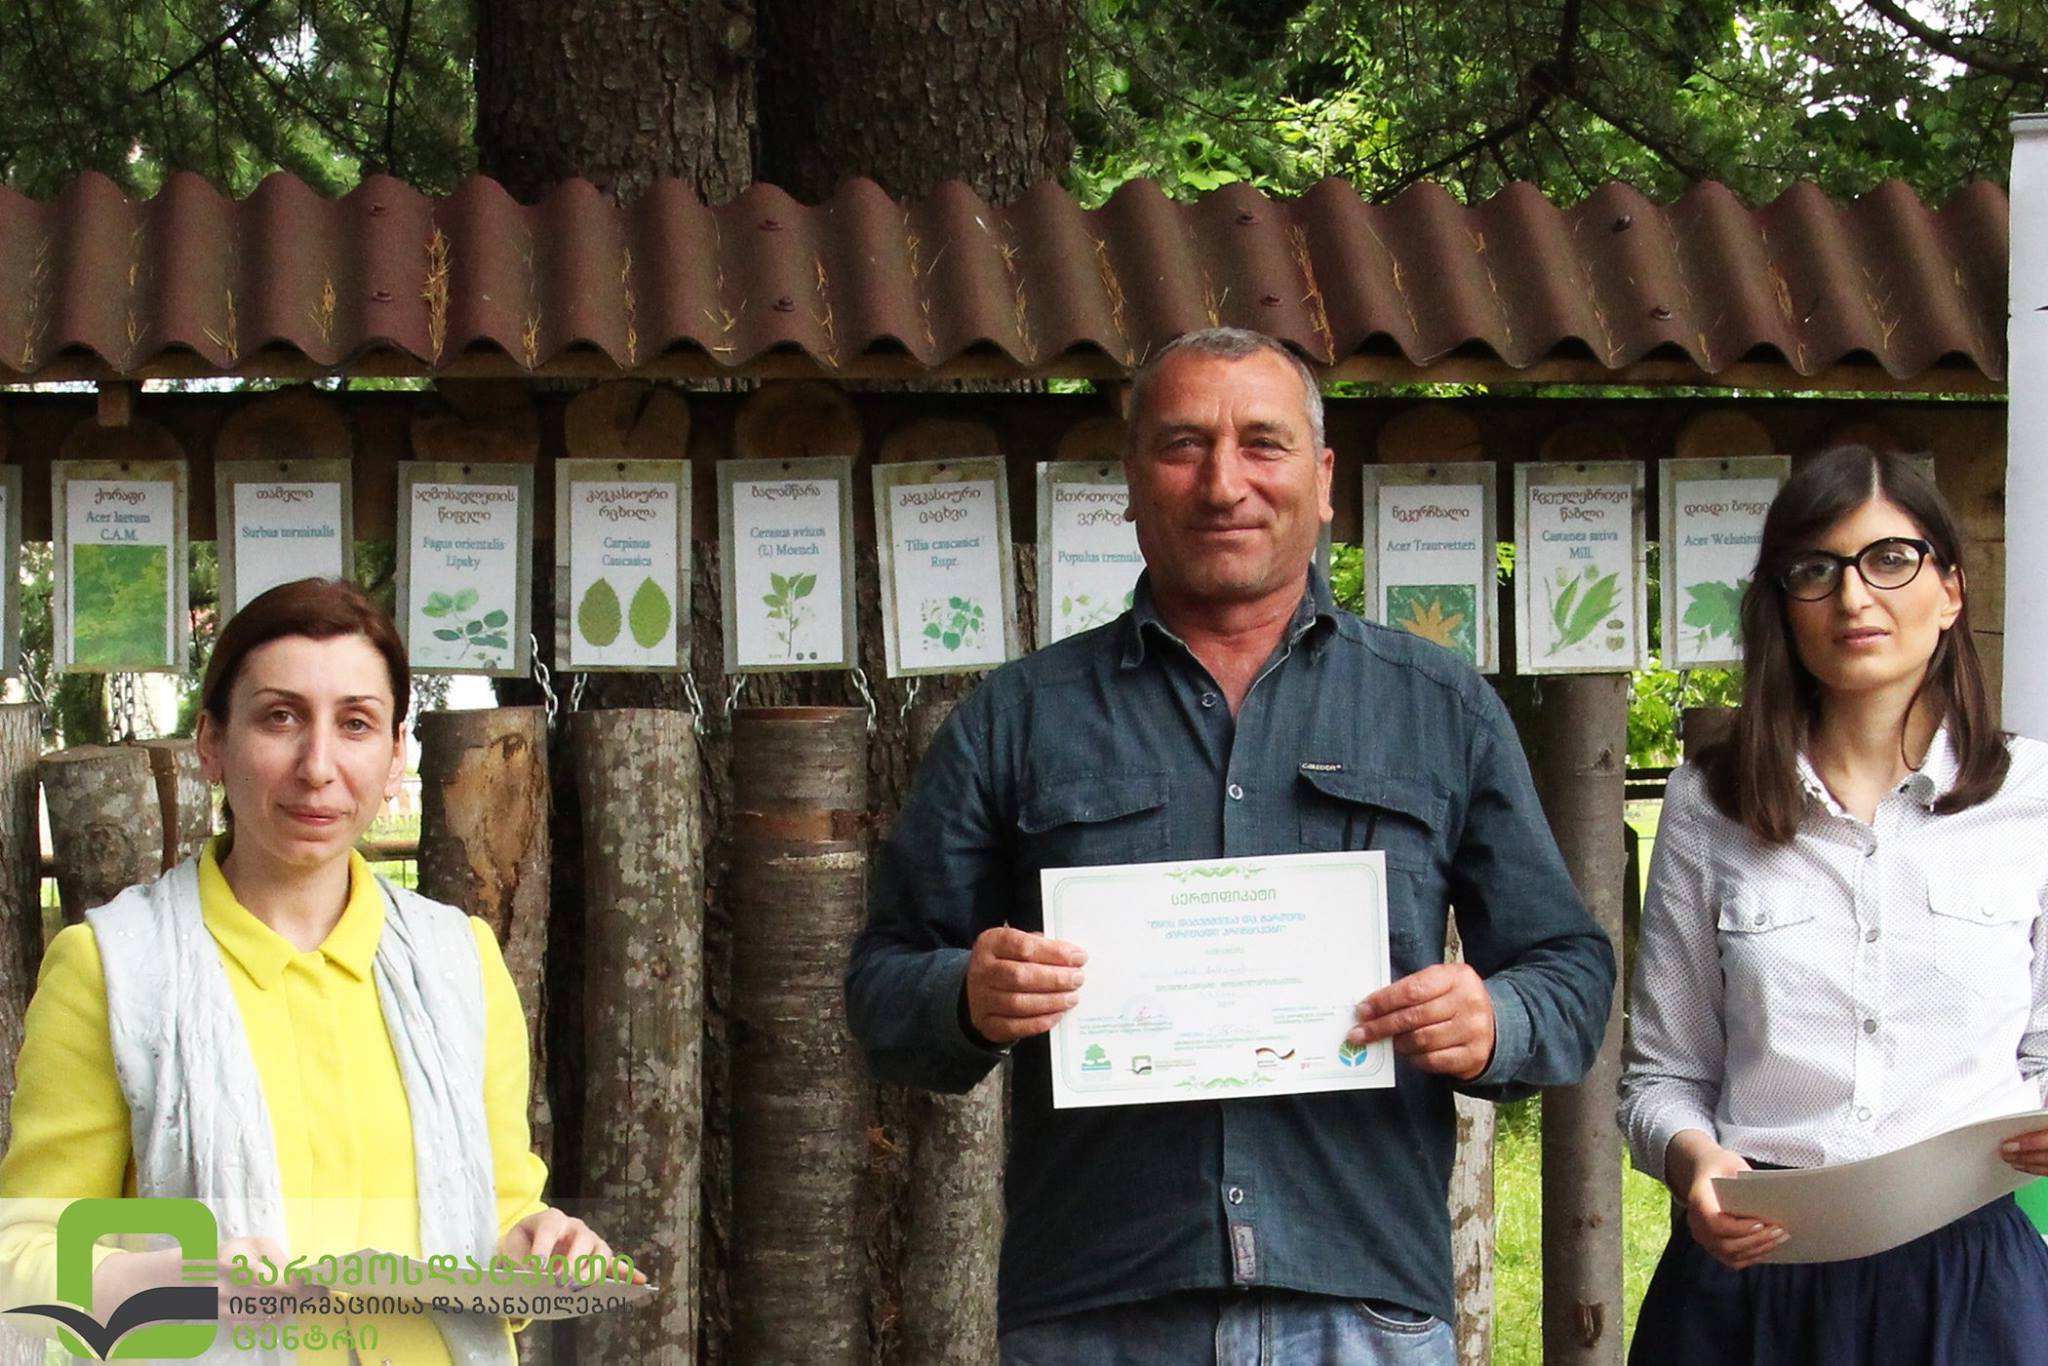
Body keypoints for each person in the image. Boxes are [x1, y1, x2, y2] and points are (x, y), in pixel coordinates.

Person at [847, 326, 1615, 1364]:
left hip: (1363, 1308)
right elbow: (881, 987)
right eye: (1182, 445)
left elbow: (1569, 971)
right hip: (1098, 1311)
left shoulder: (1439, 709)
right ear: (1130, 482)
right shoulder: (1016, 719)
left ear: (1323, 479)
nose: (1222, 483)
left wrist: (1493, 1021)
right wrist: (965, 995)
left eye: (1262, 443)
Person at [0, 578, 629, 1364]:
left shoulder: (460, 964)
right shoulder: (115, 969)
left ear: (395, 754)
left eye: (356, 723)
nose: (318, 766)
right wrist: (155, 1283)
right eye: (280, 717)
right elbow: (19, 1259)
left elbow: (496, 1213)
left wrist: (541, 1245)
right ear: (212, 742)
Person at [1618, 446, 2048, 1364]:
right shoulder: (1708, 804)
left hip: (1969, 1283)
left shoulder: (2034, 797)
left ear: (1951, 591)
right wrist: (1695, 1163)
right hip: (1753, 1278)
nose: (1854, 597)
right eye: (1816, 570)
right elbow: (1660, 1080)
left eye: (1890, 560)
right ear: (1782, 605)